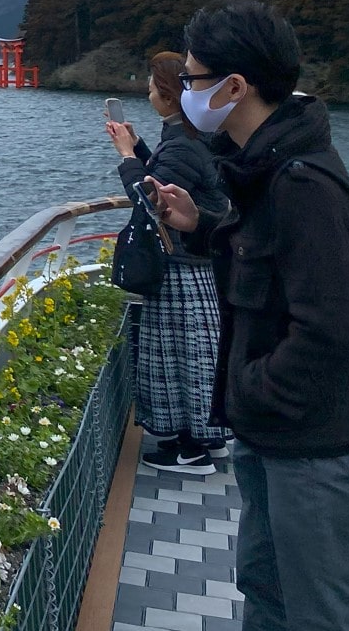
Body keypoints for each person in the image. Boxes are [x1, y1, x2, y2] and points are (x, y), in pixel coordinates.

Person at [150, 0, 349, 631]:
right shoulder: (265, 168)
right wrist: (202, 227)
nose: (187, 92)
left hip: (310, 441)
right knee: (268, 589)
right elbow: (268, 269)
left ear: (235, 86)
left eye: (194, 79)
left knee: (322, 611)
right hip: (276, 432)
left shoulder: (301, 183)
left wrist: (252, 388)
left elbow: (331, 329)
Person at [104, 51, 231, 473]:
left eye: (153, 89)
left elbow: (152, 197)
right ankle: (207, 440)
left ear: (170, 97)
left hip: (182, 270)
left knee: (181, 360)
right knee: (200, 358)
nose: (147, 93)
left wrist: (126, 156)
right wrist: (138, 145)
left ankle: (191, 449)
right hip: (201, 267)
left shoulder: (181, 143)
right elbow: (166, 169)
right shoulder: (192, 137)